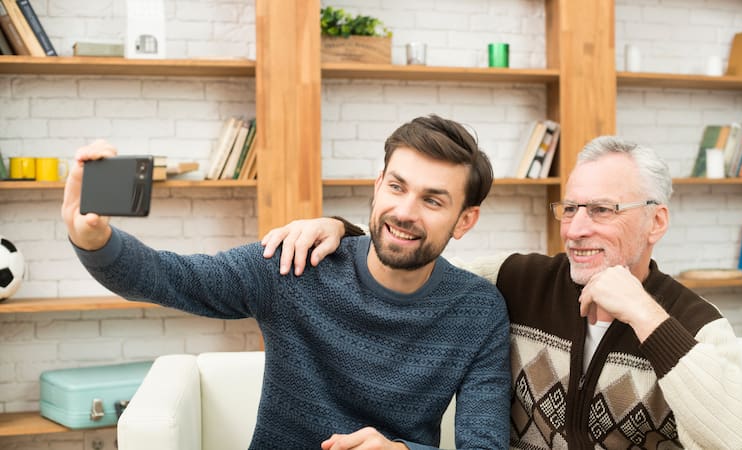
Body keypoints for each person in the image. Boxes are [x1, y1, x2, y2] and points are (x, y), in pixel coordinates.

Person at [261, 136, 742, 449]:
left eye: (602, 210)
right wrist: (340, 229)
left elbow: (741, 439)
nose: (576, 229)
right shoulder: (519, 281)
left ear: (656, 220)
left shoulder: (696, 322)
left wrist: (643, 312)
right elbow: (419, 259)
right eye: (570, 210)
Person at [61, 115, 511, 450]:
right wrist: (94, 238)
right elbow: (172, 278)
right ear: (377, 187)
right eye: (397, 187)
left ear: (464, 220)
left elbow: (485, 446)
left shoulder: (478, 310)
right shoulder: (299, 263)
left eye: (432, 200)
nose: (406, 211)